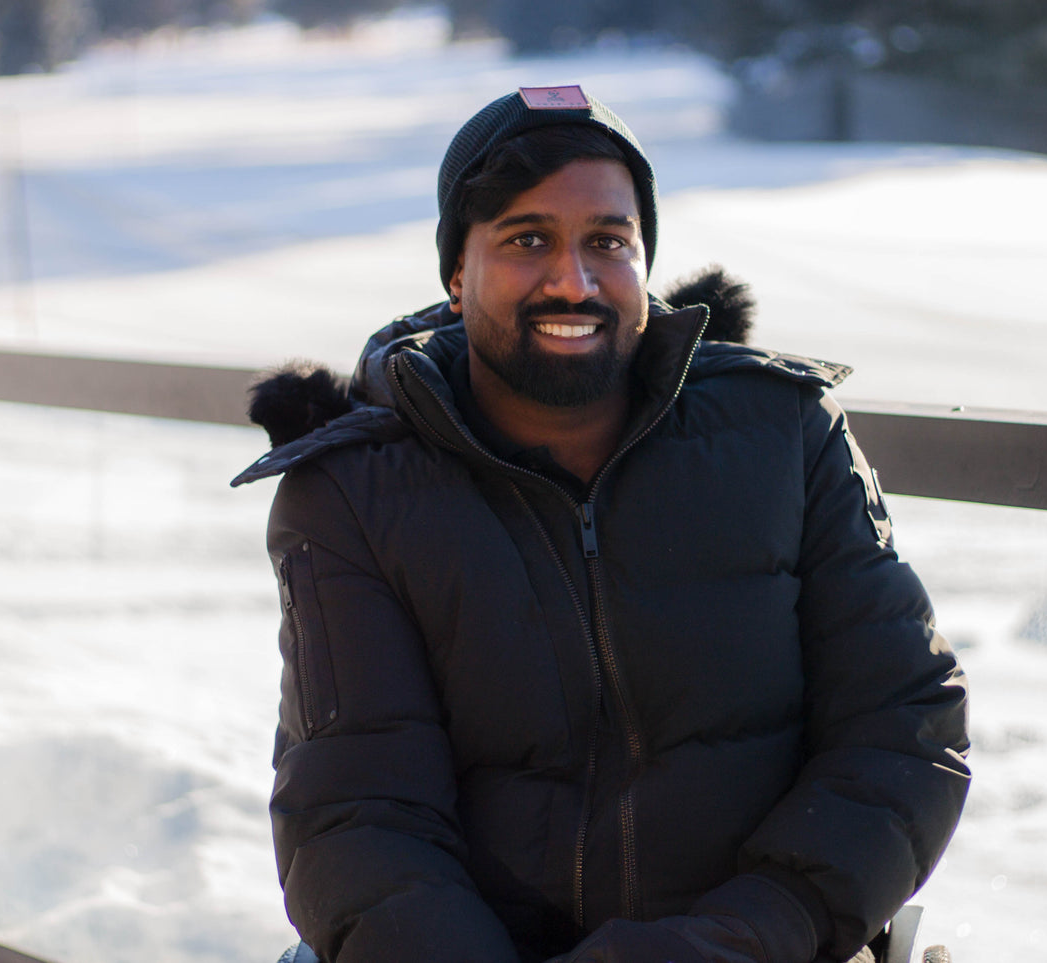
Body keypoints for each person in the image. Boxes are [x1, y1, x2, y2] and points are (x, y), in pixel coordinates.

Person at [233, 86, 970, 963]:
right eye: (526, 239)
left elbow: (901, 727)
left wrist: (737, 939)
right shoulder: (353, 492)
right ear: (457, 271)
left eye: (607, 242)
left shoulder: (783, 434)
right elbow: (356, 810)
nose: (573, 281)